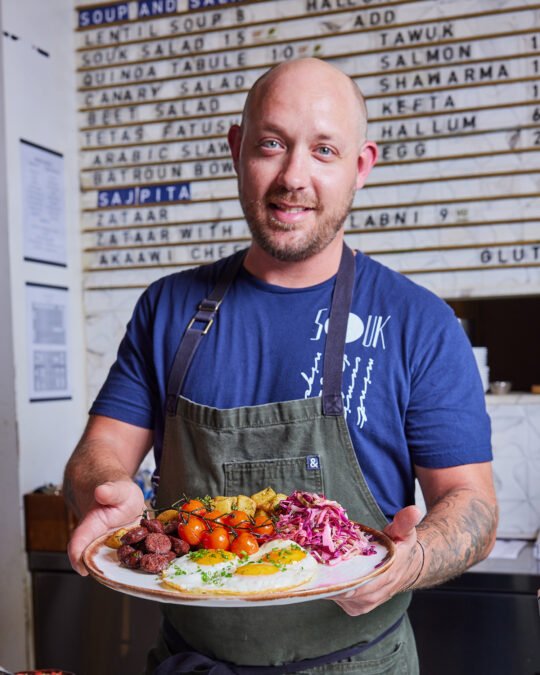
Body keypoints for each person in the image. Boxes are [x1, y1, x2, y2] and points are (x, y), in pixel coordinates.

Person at [63, 58, 498, 674]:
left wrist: (416, 557)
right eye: (272, 144)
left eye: (324, 150)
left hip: (359, 665)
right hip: (193, 662)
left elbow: (471, 505)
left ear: (361, 166)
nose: (293, 176)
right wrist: (104, 491)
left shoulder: (418, 322)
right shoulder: (168, 308)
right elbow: (100, 449)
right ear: (238, 150)